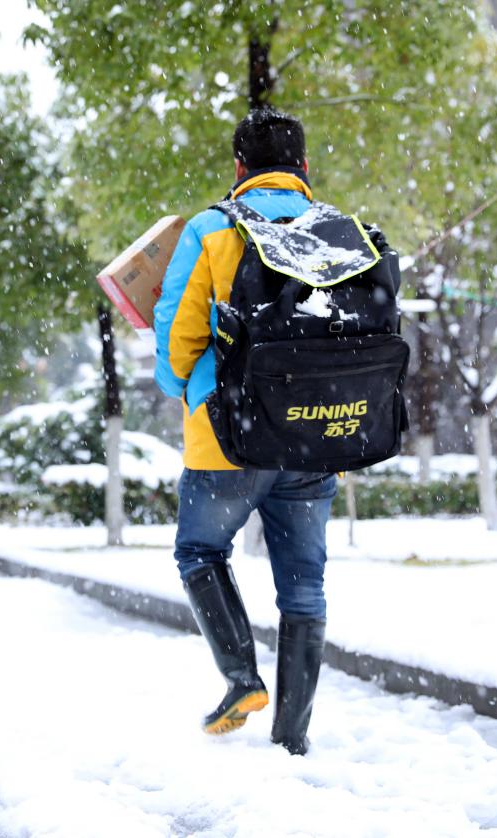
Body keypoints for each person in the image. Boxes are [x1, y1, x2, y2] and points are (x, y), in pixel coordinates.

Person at [153, 108, 340, 755]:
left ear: (238, 168)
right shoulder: (336, 231)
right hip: (314, 434)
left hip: (228, 434)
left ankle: (241, 679)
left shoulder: (211, 230)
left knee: (200, 551)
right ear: (304, 167)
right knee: (304, 586)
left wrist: (184, 386)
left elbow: (178, 334)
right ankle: (292, 736)